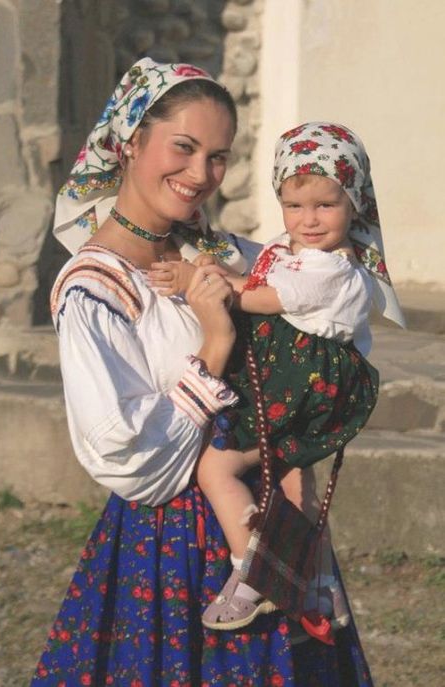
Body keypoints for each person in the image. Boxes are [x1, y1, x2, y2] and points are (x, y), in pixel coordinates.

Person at [30, 60, 391, 685]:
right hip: (169, 550)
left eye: (217, 156)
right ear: (133, 140)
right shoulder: (94, 290)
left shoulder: (228, 254)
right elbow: (127, 454)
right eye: (184, 147)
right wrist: (218, 342)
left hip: (273, 530)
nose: (200, 174)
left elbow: (331, 319)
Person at [149, 122, 403, 639]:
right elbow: (257, 267)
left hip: (305, 385)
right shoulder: (294, 251)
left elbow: (262, 296)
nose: (308, 221)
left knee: (217, 467)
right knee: (294, 482)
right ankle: (320, 585)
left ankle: (254, 570)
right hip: (300, 384)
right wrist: (209, 254)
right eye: (294, 205)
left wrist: (199, 280)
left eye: (325, 206)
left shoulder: (332, 266)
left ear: (353, 204)